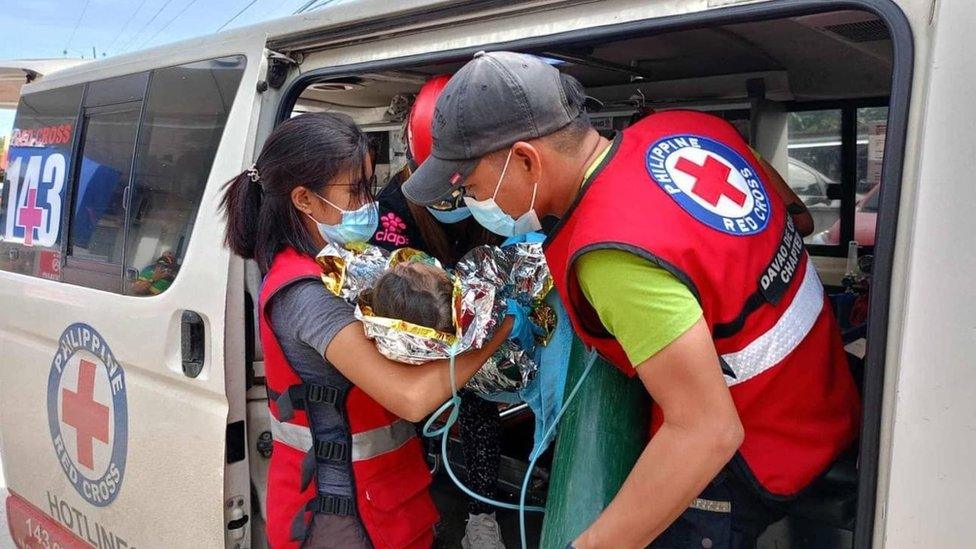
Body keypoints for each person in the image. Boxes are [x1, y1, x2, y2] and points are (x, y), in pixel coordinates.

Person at [402, 51, 860, 548]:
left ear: (526, 159)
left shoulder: (611, 253)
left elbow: (706, 432)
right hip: (826, 396)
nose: (472, 201)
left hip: (757, 452)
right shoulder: (687, 128)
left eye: (470, 185)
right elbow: (795, 219)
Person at [220, 112, 512, 549]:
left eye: (369, 187)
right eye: (355, 191)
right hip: (338, 515)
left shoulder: (340, 266)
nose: (369, 203)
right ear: (304, 199)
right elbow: (411, 399)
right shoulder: (303, 292)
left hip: (386, 500)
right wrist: (500, 326)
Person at [369, 75, 508, 549]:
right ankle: (420, 496)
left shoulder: (498, 196)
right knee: (416, 413)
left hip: (479, 322)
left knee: (479, 403)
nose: (455, 200)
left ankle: (481, 515)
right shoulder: (393, 210)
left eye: (463, 186)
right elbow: (390, 286)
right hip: (418, 323)